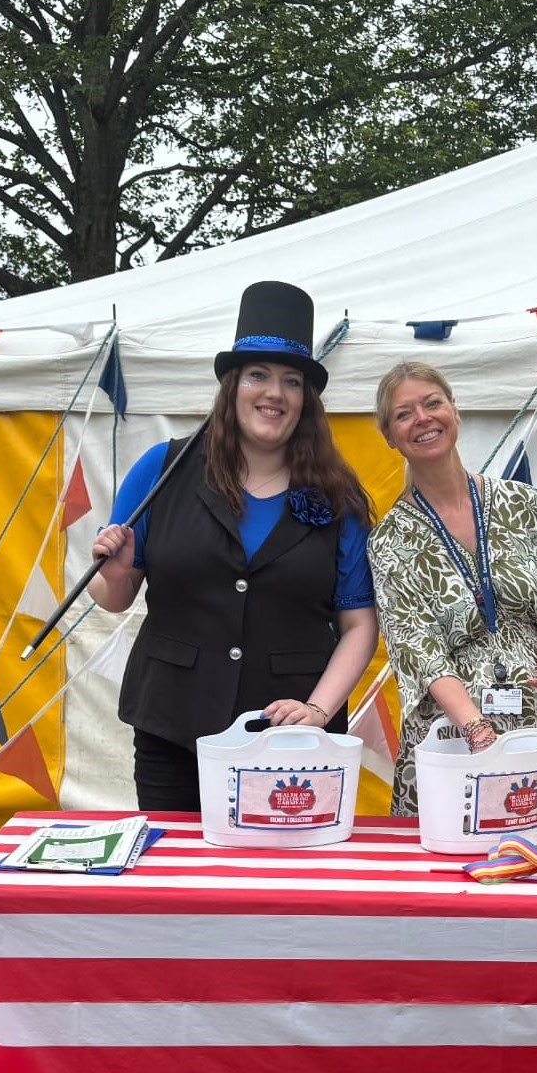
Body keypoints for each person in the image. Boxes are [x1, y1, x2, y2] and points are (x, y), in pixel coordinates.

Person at [88, 281, 378, 811]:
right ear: (232, 385)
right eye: (258, 376)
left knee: (284, 890)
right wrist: (115, 573)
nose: (275, 393)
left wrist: (317, 710)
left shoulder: (339, 498)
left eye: (292, 381)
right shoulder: (162, 469)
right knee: (178, 880)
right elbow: (116, 599)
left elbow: (359, 624)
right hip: (173, 726)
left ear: (306, 401)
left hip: (294, 739)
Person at [368, 361, 537, 820]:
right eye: (404, 414)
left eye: (433, 403)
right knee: (453, 876)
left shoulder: (523, 504)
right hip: (454, 738)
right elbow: (418, 651)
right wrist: (479, 732)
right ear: (390, 437)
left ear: (455, 410)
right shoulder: (390, 538)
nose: (423, 418)